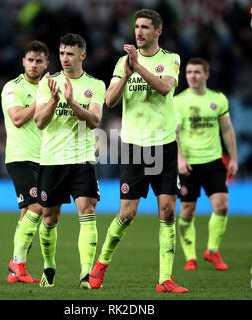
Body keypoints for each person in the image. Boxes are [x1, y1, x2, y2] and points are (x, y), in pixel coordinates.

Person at [89, 9, 188, 293]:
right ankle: (101, 265)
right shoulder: (123, 63)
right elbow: (108, 101)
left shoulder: (170, 59)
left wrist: (139, 67)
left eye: (145, 27)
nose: (139, 32)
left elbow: (164, 88)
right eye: (136, 27)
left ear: (158, 31)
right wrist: (126, 73)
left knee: (167, 211)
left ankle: (165, 280)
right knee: (127, 213)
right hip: (134, 146)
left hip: (164, 144)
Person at [34, 33, 105, 289]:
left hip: (82, 159)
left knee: (88, 210)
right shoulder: (47, 83)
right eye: (62, 53)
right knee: (50, 219)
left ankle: (86, 274)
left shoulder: (95, 85)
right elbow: (40, 122)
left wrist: (72, 101)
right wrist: (54, 100)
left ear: (82, 56)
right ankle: (49, 266)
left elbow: (95, 121)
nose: (64, 58)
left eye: (70, 54)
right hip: (52, 159)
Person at [174, 58, 238, 271]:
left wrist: (234, 158)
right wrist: (180, 159)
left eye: (197, 72)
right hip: (189, 164)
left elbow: (227, 130)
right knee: (187, 212)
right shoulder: (179, 101)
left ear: (206, 75)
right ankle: (190, 257)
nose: (192, 75)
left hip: (213, 161)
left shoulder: (218, 100)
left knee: (222, 206)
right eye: (189, 72)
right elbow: (173, 134)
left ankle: (212, 251)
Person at [1, 40, 50, 283]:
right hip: (20, 157)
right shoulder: (13, 87)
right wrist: (42, 98)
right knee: (37, 208)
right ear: (23, 61)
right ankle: (17, 262)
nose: (33, 64)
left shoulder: (51, 88)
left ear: (46, 64)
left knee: (28, 216)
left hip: (45, 158)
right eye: (30, 60)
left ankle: (17, 269)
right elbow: (18, 118)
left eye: (39, 61)